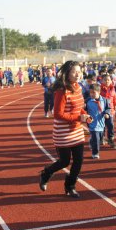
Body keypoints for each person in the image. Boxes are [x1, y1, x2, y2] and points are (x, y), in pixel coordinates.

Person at [39, 60, 90, 198]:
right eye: (74, 72)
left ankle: (70, 186)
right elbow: (58, 114)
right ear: (67, 74)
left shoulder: (78, 87)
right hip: (63, 133)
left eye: (79, 71)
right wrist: (79, 118)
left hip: (77, 131)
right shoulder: (62, 91)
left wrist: (85, 115)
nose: (78, 74)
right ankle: (46, 173)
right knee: (64, 161)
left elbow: (79, 108)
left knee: (78, 162)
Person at [86, 83, 111, 159]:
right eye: (90, 92)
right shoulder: (88, 101)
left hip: (101, 123)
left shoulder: (104, 100)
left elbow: (108, 108)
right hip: (92, 123)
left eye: (93, 92)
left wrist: (107, 113)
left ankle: (91, 141)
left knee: (99, 138)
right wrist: (85, 115)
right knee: (96, 139)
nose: (92, 94)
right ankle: (95, 153)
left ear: (99, 92)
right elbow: (83, 109)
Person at [100, 74, 116, 147]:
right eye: (105, 80)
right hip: (101, 111)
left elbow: (115, 98)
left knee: (110, 125)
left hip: (110, 110)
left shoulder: (113, 89)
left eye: (108, 80)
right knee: (102, 125)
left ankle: (111, 139)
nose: (107, 81)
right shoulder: (100, 89)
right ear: (102, 80)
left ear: (111, 81)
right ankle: (101, 138)